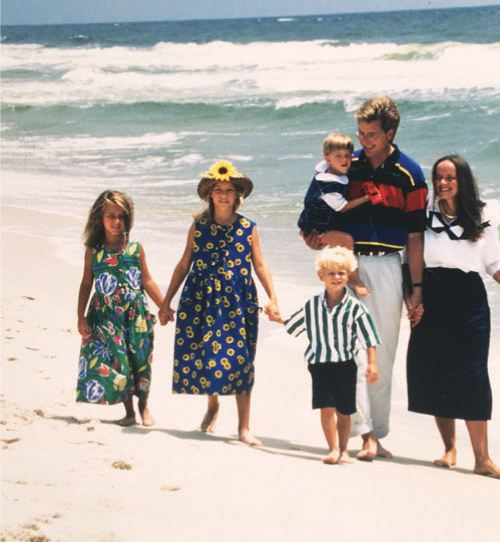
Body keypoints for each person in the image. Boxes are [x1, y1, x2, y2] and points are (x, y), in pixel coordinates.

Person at [305, 96, 427, 460]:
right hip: (346, 265)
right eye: (360, 133)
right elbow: (314, 206)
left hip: (389, 265)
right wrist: (313, 236)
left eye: (372, 135)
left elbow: (415, 237)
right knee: (346, 352)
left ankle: (377, 430)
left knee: (383, 353)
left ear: (390, 133)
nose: (363, 141)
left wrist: (416, 289)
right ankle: (364, 433)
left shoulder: (410, 173)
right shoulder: (346, 165)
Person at [406, 154, 500, 477]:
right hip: (431, 292)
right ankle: (449, 448)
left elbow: (492, 263)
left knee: (473, 375)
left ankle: (482, 459)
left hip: (468, 298)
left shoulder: (483, 215)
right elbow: (411, 254)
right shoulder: (424, 209)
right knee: (435, 371)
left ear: (463, 181)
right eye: (439, 178)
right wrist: (413, 296)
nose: (443, 184)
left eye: (450, 178)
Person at [158, 160, 279, 445]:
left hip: (237, 301)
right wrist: (166, 302)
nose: (224, 195)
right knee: (206, 355)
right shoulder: (198, 226)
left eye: (229, 190)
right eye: (218, 190)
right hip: (201, 298)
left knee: (241, 361)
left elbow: (260, 265)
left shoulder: (248, 227)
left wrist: (273, 298)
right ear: (209, 194)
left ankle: (244, 427)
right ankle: (212, 404)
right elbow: (183, 264)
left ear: (238, 196)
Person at [273, 247, 380, 464]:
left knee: (345, 410)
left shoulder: (355, 308)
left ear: (349, 275)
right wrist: (277, 317)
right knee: (326, 407)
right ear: (321, 276)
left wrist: (373, 364)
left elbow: (369, 338)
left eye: (341, 272)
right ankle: (332, 449)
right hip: (319, 364)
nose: (336, 277)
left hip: (345, 364)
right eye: (331, 273)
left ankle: (344, 450)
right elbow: (294, 324)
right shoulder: (312, 305)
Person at [76, 190, 164, 427]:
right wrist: (80, 316)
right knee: (119, 364)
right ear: (99, 219)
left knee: (141, 361)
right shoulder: (93, 251)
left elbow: (147, 281)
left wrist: (164, 306)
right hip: (106, 317)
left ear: (129, 219)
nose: (117, 222)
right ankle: (129, 412)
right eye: (111, 216)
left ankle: (144, 407)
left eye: (122, 216)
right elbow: (86, 283)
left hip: (136, 316)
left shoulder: (135, 249)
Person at [297, 133, 380, 297]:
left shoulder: (331, 170)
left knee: (339, 247)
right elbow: (344, 207)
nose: (345, 160)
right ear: (328, 159)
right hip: (316, 226)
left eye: (348, 156)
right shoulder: (327, 185)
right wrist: (366, 198)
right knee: (346, 240)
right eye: (339, 156)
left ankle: (337, 278)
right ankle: (353, 278)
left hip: (322, 220)